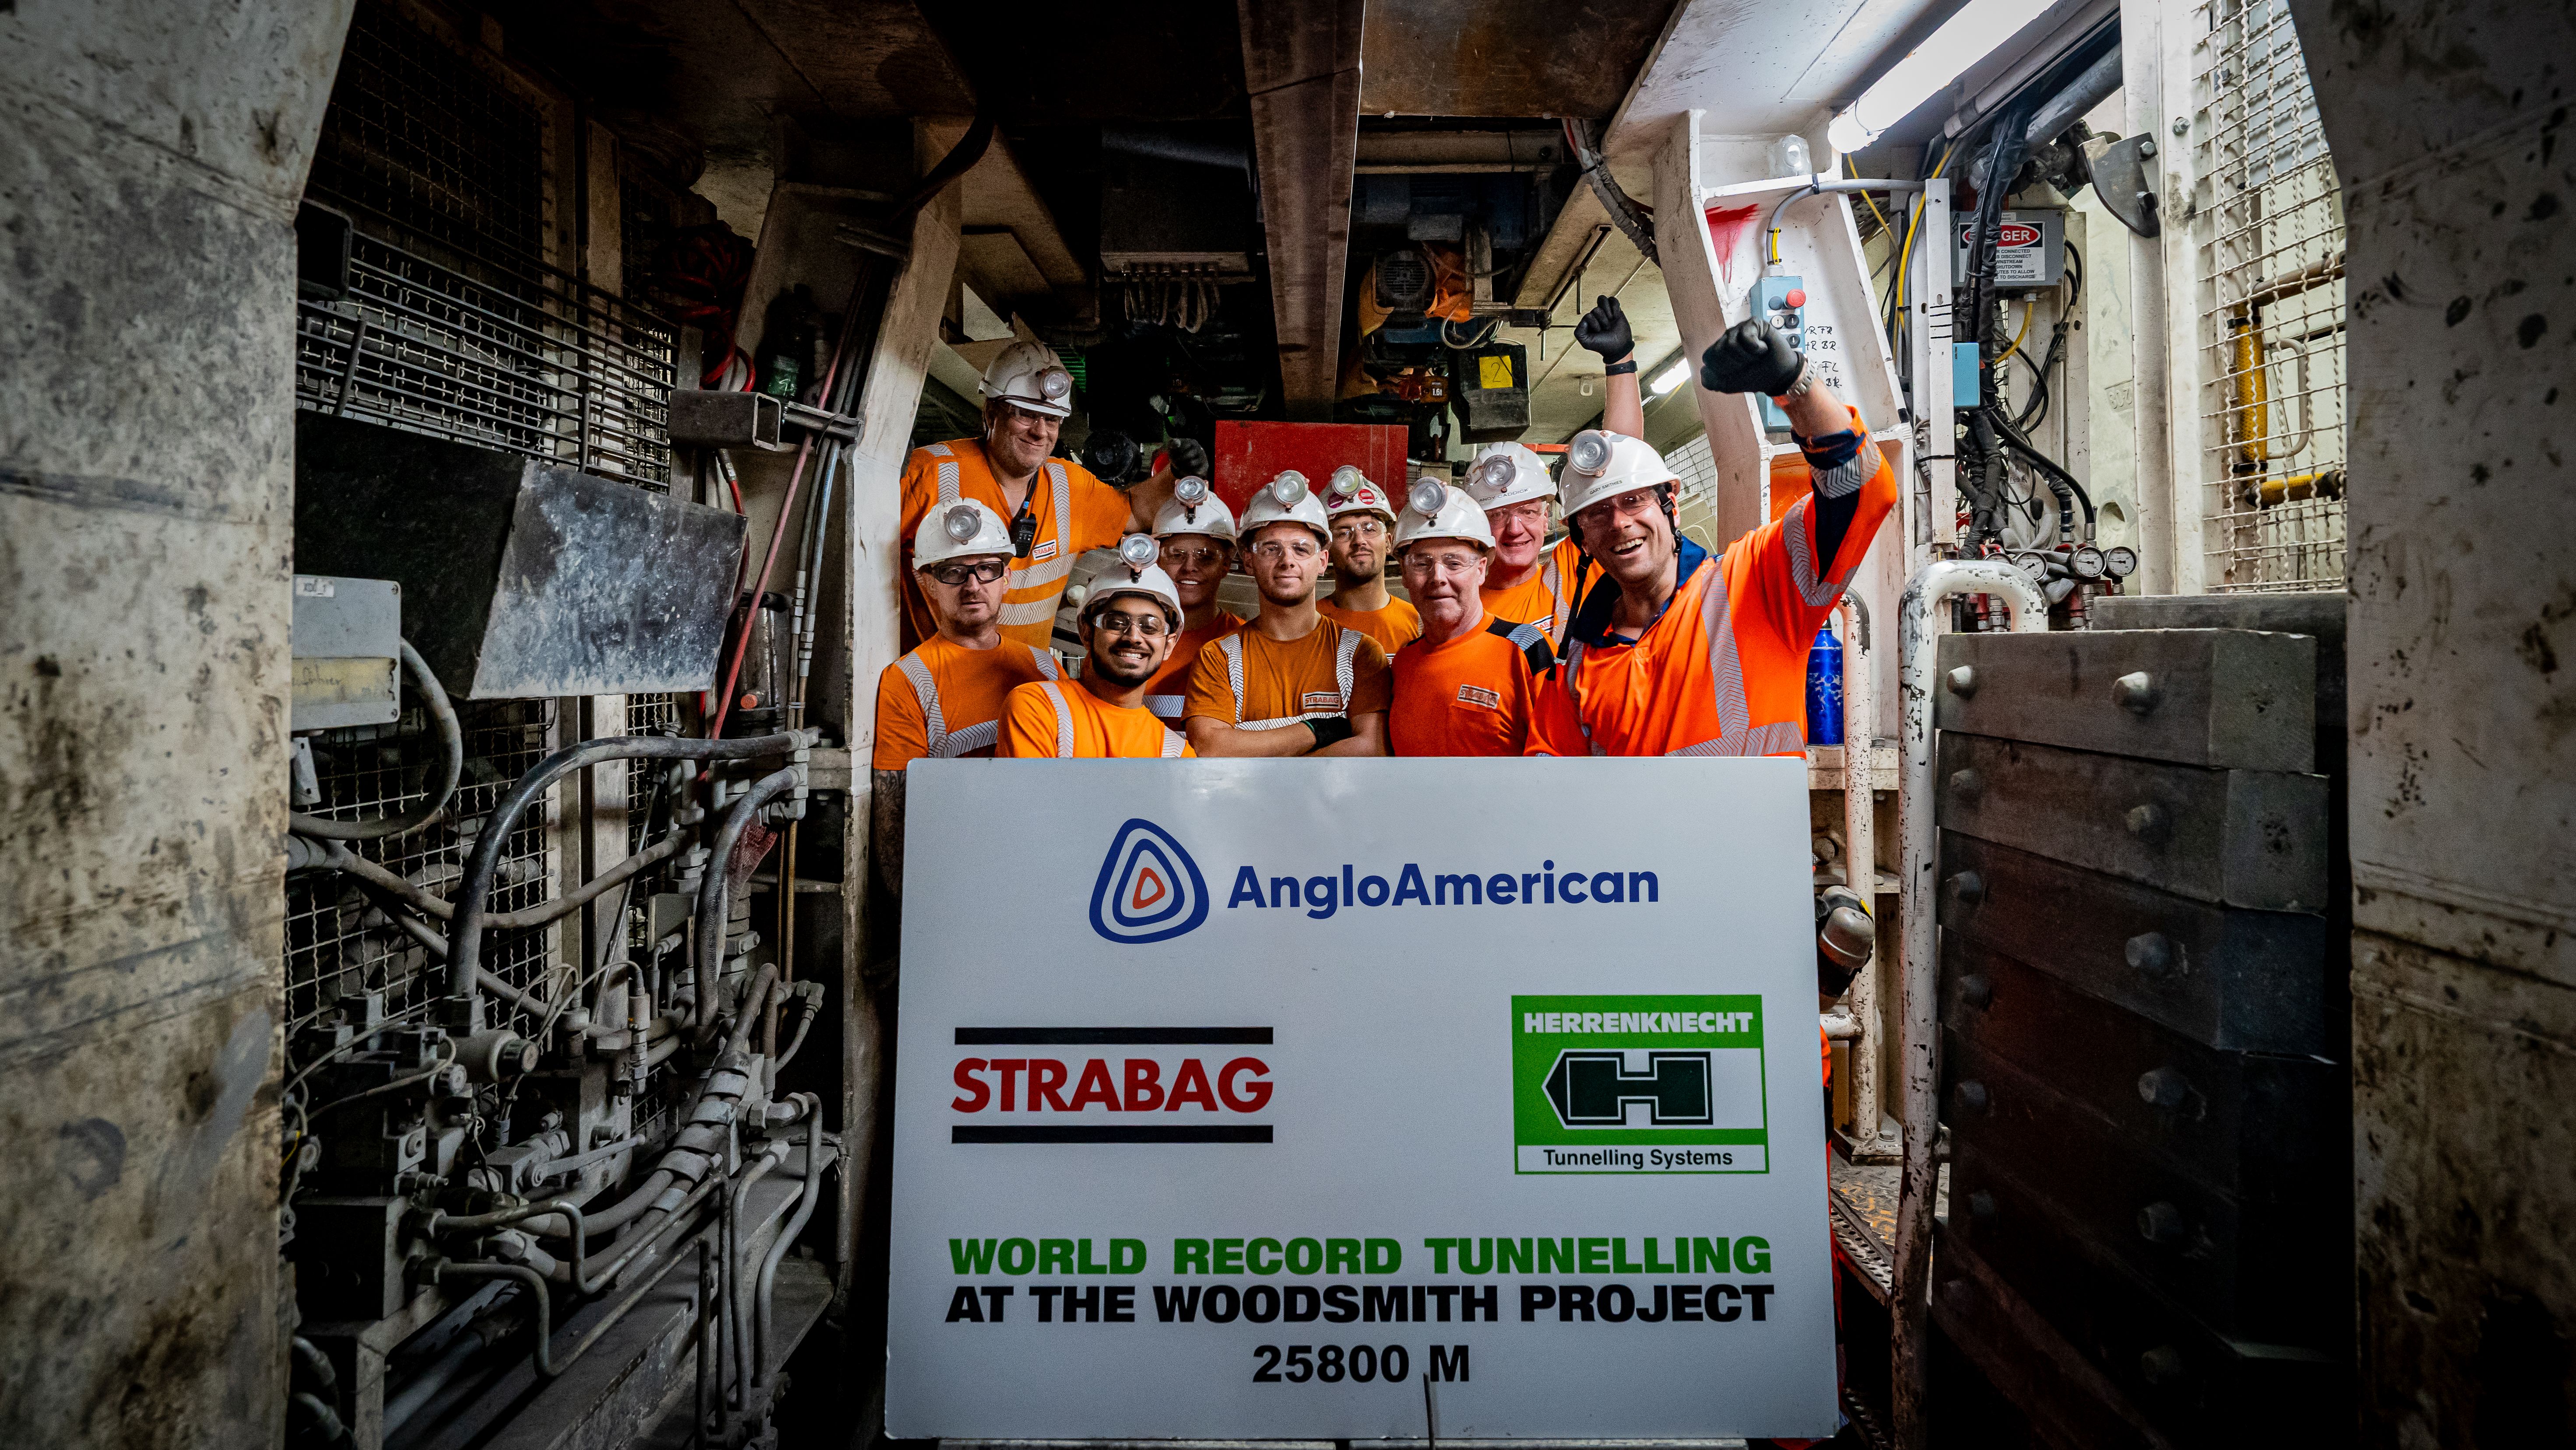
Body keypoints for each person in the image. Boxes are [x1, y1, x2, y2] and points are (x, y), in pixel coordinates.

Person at [1529, 317, 1896, 758]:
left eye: (1635, 501)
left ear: (1672, 505)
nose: (1620, 523)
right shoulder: (1574, 667)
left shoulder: (1757, 580)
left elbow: (1861, 486)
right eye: (1598, 513)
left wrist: (1794, 384)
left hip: (1754, 829)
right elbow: (1554, 784)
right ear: (1582, 540)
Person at [897, 339, 1202, 652]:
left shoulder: (1070, 486)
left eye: (1052, 419)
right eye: (1026, 414)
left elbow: (1135, 514)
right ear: (991, 414)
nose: (1041, 431)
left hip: (1027, 688)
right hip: (937, 685)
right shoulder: (930, 473)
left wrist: (1176, 475)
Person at [869, 500, 1061, 892]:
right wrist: (914, 918)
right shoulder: (908, 679)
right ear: (927, 582)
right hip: (958, 874)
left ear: (1006, 578)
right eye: (953, 572)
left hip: (1043, 866)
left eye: (987, 569)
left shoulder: (1045, 670)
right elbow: (894, 816)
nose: (973, 586)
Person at [1471, 295, 1647, 642]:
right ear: (1475, 523)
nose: (1515, 528)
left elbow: (1619, 470)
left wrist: (1620, 359)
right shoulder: (1458, 599)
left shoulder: (1573, 570)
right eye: (1498, 514)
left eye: (1527, 510)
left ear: (1547, 515)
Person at [1183, 471, 1392, 757]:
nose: (1287, 561)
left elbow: (1371, 748)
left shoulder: (1362, 654)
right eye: (1271, 549)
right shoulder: (1218, 657)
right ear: (1249, 561)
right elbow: (1211, 747)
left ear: (1322, 561)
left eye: (1301, 549)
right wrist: (1316, 731)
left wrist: (1251, 748)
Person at [1385, 480, 1565, 757]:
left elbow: (1561, 762)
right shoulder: (1404, 662)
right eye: (1422, 564)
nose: (1438, 578)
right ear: (1405, 577)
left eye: (1454, 563)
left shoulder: (1527, 651)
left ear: (1481, 570)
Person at [999, 536, 1195, 759]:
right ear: (1087, 632)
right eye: (1116, 622)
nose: (1134, 637)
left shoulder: (1176, 753)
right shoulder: (1039, 707)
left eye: (1150, 626)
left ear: (1169, 645)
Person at [1141, 477, 1246, 731]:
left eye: (1206, 557)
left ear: (1225, 564)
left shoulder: (1245, 643)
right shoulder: (1131, 640)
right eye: (1177, 555)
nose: (1190, 568)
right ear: (1157, 560)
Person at [1315, 466, 1420, 654]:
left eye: (1369, 528)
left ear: (1389, 542)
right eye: (1344, 533)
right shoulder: (1311, 623)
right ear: (1327, 548)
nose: (1359, 541)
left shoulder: (1418, 624)